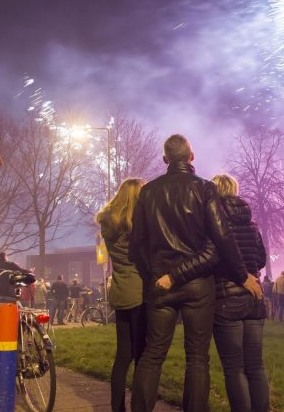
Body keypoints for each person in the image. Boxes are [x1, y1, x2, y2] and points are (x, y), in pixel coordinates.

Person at [128, 134, 258, 412]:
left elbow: (137, 244)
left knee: (152, 355)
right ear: (191, 156)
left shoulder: (148, 193)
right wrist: (242, 274)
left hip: (160, 284)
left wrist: (154, 273)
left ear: (165, 159)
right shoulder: (204, 189)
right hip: (199, 285)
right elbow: (222, 238)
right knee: (197, 358)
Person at [209, 173, 269, 412]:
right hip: (254, 298)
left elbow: (214, 259)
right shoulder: (251, 224)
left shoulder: (215, 223)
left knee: (234, 367)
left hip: (226, 298)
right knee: (256, 366)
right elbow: (261, 258)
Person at [96, 177, 146, 412]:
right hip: (139, 292)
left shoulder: (109, 224)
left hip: (120, 290)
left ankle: (118, 408)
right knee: (141, 356)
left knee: (123, 355)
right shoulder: (136, 223)